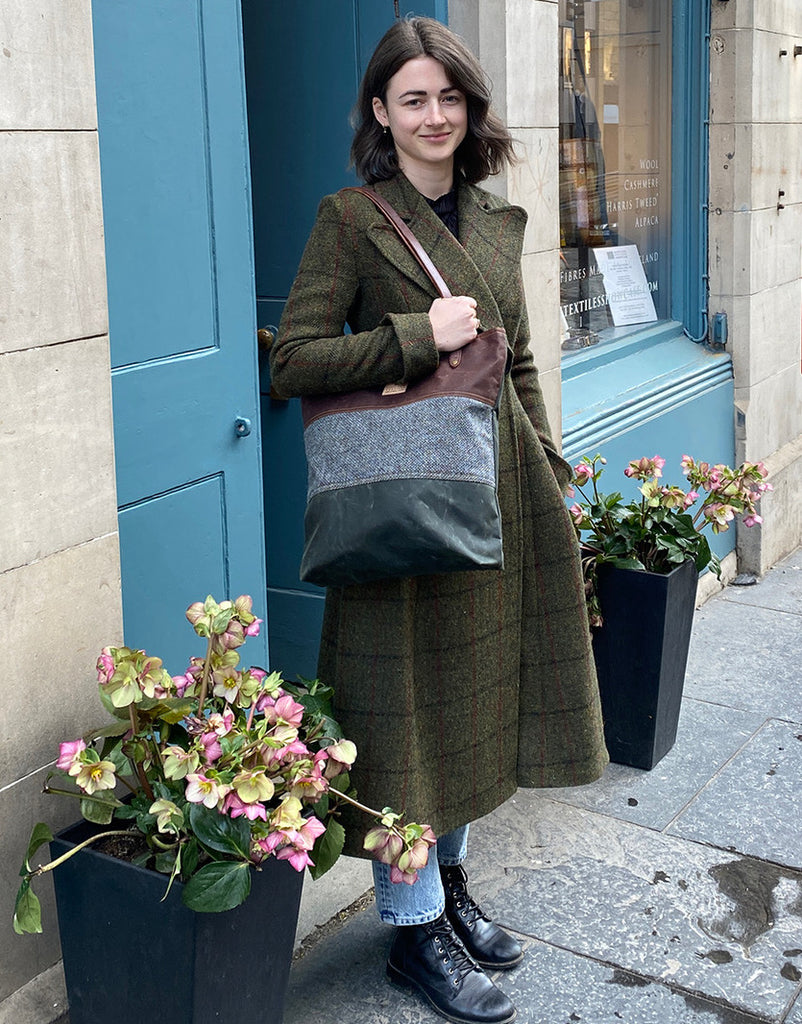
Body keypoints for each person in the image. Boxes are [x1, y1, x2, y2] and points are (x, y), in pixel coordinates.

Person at [271, 17, 608, 1024]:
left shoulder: (499, 221)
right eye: (411, 98)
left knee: (476, 708)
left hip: (500, 495)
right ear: (379, 111)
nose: (433, 116)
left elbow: (525, 362)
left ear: (472, 109)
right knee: (406, 724)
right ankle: (410, 929)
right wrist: (416, 334)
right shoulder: (349, 219)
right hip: (403, 509)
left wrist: (550, 471)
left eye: (449, 97)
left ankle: (449, 888)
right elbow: (292, 360)